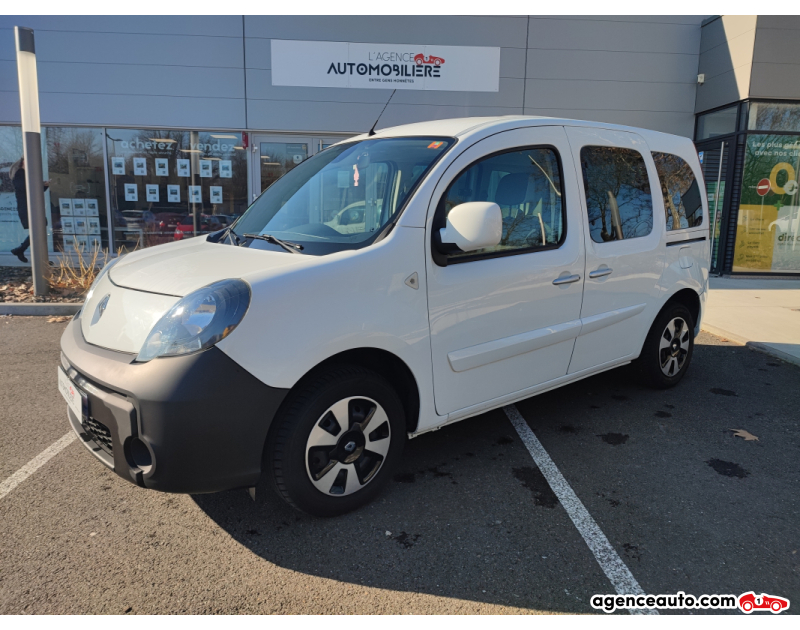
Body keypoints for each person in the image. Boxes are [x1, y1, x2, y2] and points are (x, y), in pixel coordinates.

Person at [9, 157, 49, 263]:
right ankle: (39, 258)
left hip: (31, 206)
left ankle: (22, 250)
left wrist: (44, 186)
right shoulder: (19, 174)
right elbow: (25, 188)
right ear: (23, 162)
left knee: (39, 230)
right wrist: (40, 185)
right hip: (27, 207)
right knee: (38, 230)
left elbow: (33, 190)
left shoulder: (26, 174)